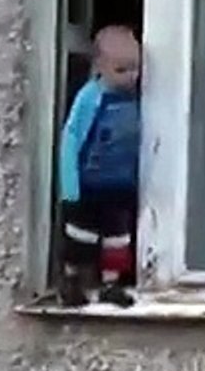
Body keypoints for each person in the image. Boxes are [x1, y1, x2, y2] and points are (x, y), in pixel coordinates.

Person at [57, 25, 142, 308]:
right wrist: (70, 185)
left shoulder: (139, 98)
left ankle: (111, 284)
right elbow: (72, 138)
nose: (130, 77)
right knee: (81, 237)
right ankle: (72, 281)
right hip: (89, 183)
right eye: (121, 70)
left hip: (120, 183)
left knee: (117, 240)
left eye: (135, 69)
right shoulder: (90, 97)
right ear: (100, 67)